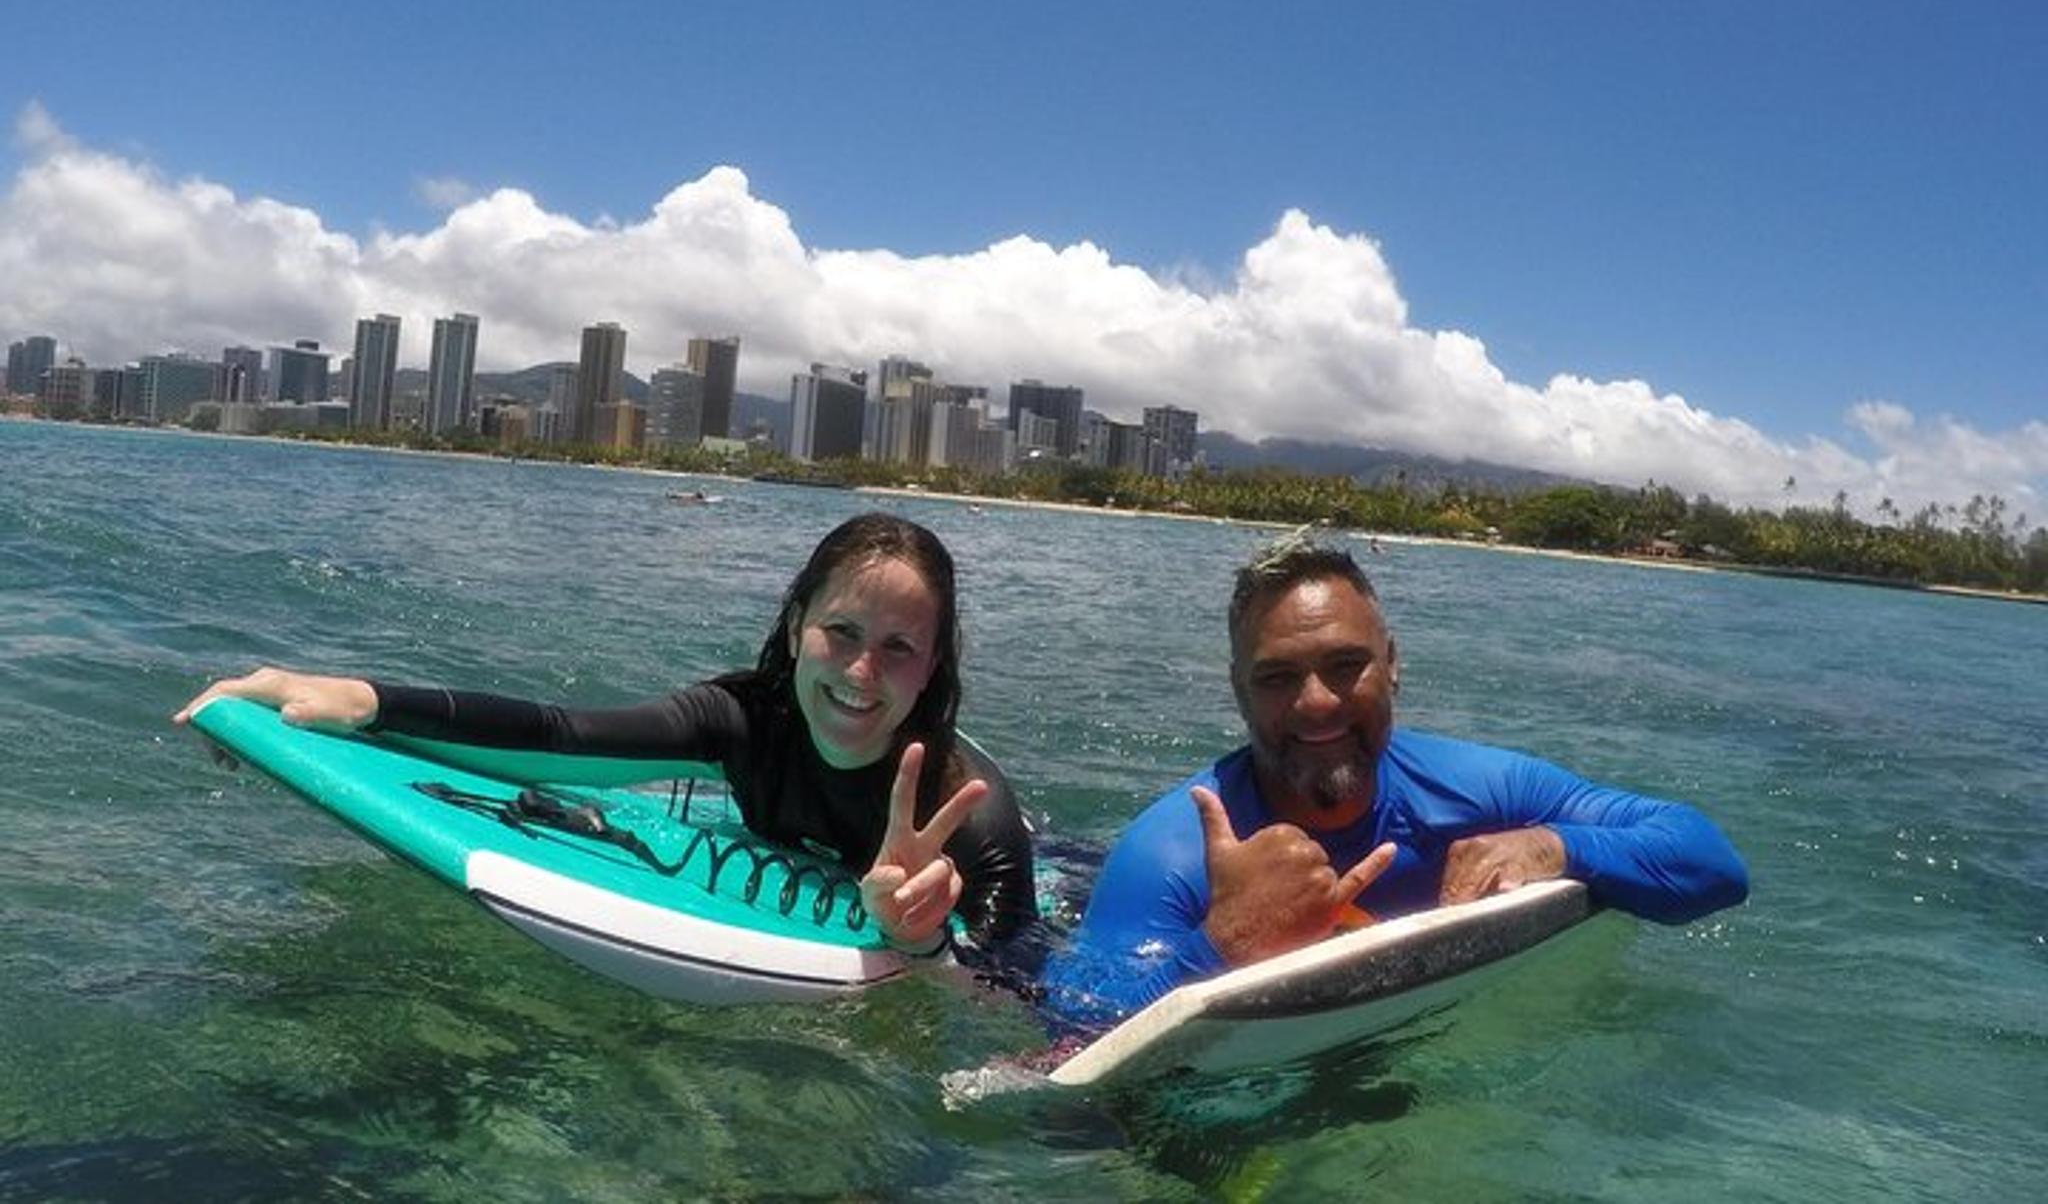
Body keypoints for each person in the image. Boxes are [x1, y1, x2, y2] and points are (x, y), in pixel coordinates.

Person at [175, 512, 1036, 955]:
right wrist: (364, 699)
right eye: (841, 633)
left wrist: (916, 935)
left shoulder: (972, 819)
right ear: (798, 619)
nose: (858, 674)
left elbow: (1010, 996)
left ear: (932, 670)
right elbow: (564, 733)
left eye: (898, 649)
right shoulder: (747, 717)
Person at [1043, 536, 1748, 1027]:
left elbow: (1711, 862)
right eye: (1278, 676)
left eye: (1347, 665)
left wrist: (1555, 847)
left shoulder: (1475, 789)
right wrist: (1223, 942)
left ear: (1393, 664)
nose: (1317, 701)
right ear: (1237, 690)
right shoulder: (1173, 850)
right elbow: (1069, 1023)